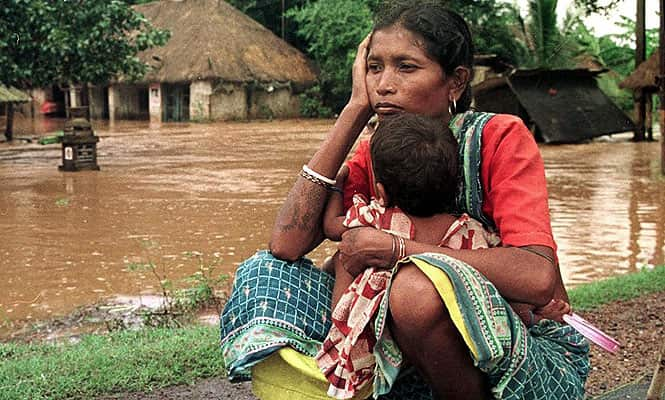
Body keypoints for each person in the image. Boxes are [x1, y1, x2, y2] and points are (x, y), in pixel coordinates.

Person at [220, 1, 589, 399]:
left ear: (456, 81)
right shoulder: (375, 150)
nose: (384, 84)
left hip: (510, 350)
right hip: (402, 345)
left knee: (414, 289)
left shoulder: (499, 138)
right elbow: (286, 245)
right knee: (263, 271)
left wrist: (398, 249)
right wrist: (355, 109)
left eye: (406, 67)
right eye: (374, 68)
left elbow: (536, 277)